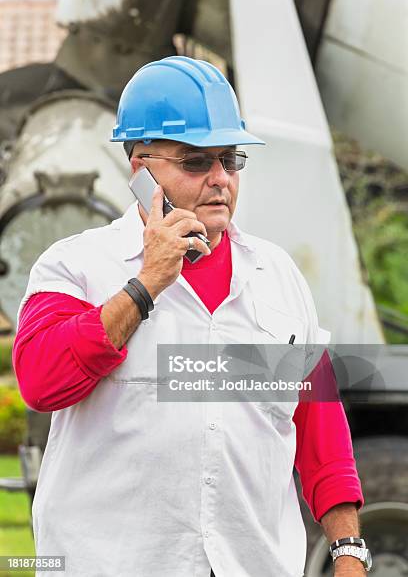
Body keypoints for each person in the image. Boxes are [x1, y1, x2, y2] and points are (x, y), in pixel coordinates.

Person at [13, 56, 369, 577]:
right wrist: (146, 284)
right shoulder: (77, 265)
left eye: (231, 160)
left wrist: (348, 551)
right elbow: (41, 380)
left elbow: (319, 428)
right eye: (196, 161)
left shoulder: (278, 277)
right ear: (141, 171)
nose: (220, 179)